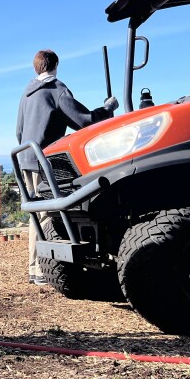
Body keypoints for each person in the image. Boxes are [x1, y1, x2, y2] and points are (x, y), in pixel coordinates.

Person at [15, 49, 117, 285]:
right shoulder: (56, 90)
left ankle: (34, 268)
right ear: (56, 65)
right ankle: (42, 270)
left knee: (35, 215)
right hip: (44, 161)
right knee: (48, 215)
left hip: (25, 159)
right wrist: (108, 108)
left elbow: (19, 131)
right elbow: (84, 120)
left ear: (36, 68)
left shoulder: (26, 94)